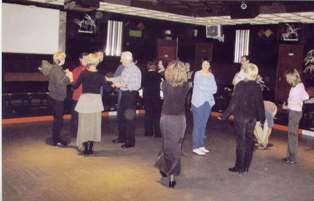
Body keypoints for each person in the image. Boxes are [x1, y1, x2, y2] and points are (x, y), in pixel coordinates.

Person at [219, 63, 265, 174]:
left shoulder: (240, 85)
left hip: (240, 118)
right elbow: (260, 104)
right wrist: (261, 119)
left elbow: (233, 103)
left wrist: (224, 115)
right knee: (249, 142)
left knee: (241, 143)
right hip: (252, 118)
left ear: (247, 72)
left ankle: (238, 167)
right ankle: (245, 168)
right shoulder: (257, 86)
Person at [155, 60, 189, 188]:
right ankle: (171, 177)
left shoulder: (164, 85)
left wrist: (163, 69)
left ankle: (165, 168)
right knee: (175, 147)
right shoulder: (187, 86)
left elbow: (166, 76)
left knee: (166, 144)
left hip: (166, 118)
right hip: (179, 119)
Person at [68, 53, 107, 155]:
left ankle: (85, 148)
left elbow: (75, 86)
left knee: (84, 125)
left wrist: (71, 79)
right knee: (94, 125)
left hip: (85, 101)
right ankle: (90, 148)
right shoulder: (101, 75)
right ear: (97, 62)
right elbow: (108, 89)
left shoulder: (84, 73)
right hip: (96, 101)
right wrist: (115, 84)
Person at [107, 51, 142, 149]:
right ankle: (122, 137)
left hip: (130, 95)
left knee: (129, 118)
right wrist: (110, 80)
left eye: (122, 58)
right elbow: (120, 78)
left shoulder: (135, 70)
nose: (120, 60)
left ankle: (130, 141)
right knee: (121, 117)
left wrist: (123, 85)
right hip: (124, 94)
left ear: (127, 59)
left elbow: (137, 85)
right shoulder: (126, 69)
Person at [39, 51, 70, 146]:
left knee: (57, 120)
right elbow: (61, 83)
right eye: (63, 58)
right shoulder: (57, 70)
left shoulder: (54, 68)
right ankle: (57, 140)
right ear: (60, 59)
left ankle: (56, 138)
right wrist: (68, 77)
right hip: (58, 99)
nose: (64, 60)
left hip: (53, 97)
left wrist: (64, 73)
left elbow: (57, 79)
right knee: (58, 121)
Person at [282, 69, 309, 164]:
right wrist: (299, 102)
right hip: (296, 112)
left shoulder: (297, 88)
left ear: (291, 77)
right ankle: (290, 156)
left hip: (294, 113)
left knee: (292, 135)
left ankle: (292, 158)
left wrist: (286, 106)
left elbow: (294, 101)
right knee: (292, 135)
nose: (286, 79)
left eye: (287, 78)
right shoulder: (299, 86)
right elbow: (306, 97)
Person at [191, 59, 217, 155]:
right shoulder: (197, 74)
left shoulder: (211, 75)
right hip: (198, 102)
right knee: (198, 125)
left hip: (208, 102)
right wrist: (209, 89)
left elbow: (215, 89)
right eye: (204, 63)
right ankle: (195, 146)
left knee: (203, 125)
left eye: (207, 64)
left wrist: (208, 89)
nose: (205, 65)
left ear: (209, 65)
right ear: (201, 65)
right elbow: (200, 86)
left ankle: (201, 145)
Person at [70, 52, 88, 137]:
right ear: (80, 59)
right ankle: (78, 134)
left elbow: (72, 83)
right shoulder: (78, 70)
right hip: (79, 97)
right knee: (77, 117)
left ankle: (77, 134)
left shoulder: (86, 69)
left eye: (87, 58)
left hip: (82, 97)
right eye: (84, 58)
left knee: (77, 117)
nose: (86, 60)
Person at [142, 61, 162, 137]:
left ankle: (148, 132)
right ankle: (157, 133)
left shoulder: (144, 75)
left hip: (147, 97)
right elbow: (161, 87)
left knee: (148, 115)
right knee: (157, 116)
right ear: (155, 67)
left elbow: (142, 86)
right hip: (156, 97)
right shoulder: (158, 75)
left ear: (148, 66)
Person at [111, 64, 125, 144]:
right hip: (130, 94)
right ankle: (127, 137)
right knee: (127, 117)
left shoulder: (121, 67)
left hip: (122, 93)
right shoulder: (134, 68)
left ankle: (122, 137)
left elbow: (115, 78)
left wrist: (116, 87)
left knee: (121, 116)